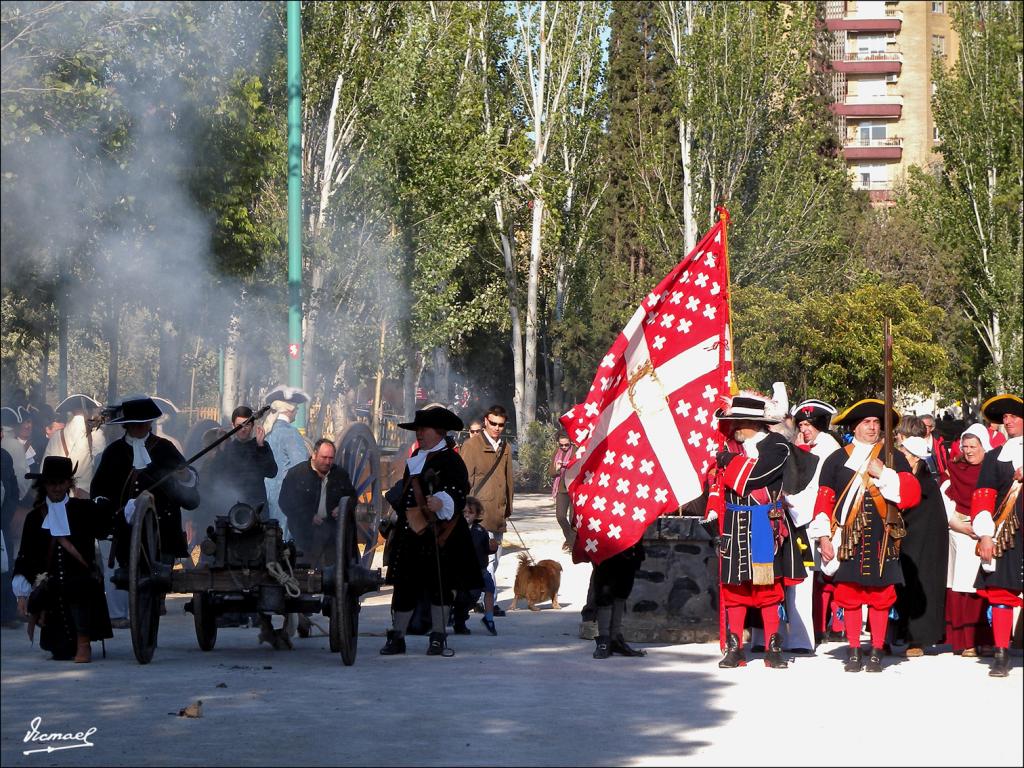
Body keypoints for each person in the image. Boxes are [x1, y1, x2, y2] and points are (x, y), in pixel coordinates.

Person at [812, 399, 922, 673]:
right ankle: (852, 649)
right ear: (855, 427)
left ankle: (875, 649)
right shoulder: (837, 459)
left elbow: (911, 494)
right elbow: (824, 500)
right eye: (866, 423)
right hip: (848, 537)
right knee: (849, 593)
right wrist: (824, 537)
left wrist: (883, 472)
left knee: (881, 594)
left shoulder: (892, 457)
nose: (873, 428)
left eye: (876, 423)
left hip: (882, 537)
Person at [705, 392, 813, 669]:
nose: (732, 427)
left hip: (766, 525)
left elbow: (756, 477)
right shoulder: (731, 445)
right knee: (735, 588)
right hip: (734, 523)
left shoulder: (777, 445)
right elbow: (716, 484)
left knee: (768, 588)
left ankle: (773, 648)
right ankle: (735, 648)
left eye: (737, 422)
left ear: (750, 422)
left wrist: (728, 462)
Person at [379, 407, 482, 657]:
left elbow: (458, 492)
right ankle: (398, 636)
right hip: (412, 532)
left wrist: (442, 502)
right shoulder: (416, 459)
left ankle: (438, 635)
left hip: (440, 535)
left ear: (439, 432)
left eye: (423, 430)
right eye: (418, 430)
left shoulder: (452, 460)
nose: (419, 434)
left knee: (441, 587)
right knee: (404, 586)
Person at [90, 396, 200, 626]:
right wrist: (111, 509)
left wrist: (184, 475)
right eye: (136, 424)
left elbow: (189, 477)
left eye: (145, 423)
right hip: (126, 526)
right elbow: (99, 489)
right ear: (127, 426)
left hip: (163, 524)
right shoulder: (114, 452)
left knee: (160, 572)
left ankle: (156, 598)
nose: (141, 428)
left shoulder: (165, 448)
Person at [10, 457, 113, 662]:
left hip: (82, 584)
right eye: (51, 482)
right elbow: (26, 556)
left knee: (77, 584)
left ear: (69, 483)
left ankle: (84, 642)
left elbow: (105, 529)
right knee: (61, 652)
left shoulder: (85, 509)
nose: (56, 487)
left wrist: (112, 509)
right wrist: (22, 593)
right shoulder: (34, 518)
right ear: (44, 485)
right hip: (52, 590)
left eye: (61, 482)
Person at [970, 394, 1023, 678]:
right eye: (1005, 418)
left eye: (1014, 416)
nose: (1008, 421)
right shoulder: (993, 458)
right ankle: (1001, 653)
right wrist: (985, 536)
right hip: (1007, 533)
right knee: (1001, 593)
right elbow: (982, 499)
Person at [784, 398, 843, 651]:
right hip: (807, 517)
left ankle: (803, 639)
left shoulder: (827, 448)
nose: (804, 430)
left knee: (805, 578)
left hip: (813, 521)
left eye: (809, 424)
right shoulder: (813, 446)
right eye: (802, 424)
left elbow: (815, 489)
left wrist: (789, 502)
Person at [940, 423, 994, 657]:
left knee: (984, 585)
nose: (969, 451)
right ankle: (964, 639)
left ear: (984, 447)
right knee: (961, 584)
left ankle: (986, 639)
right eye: (965, 446)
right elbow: (944, 502)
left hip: (988, 532)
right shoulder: (954, 470)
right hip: (959, 533)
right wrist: (960, 526)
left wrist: (985, 529)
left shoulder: (992, 469)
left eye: (974, 446)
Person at [894, 436, 948, 656]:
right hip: (905, 541)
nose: (902, 457)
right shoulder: (903, 478)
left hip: (924, 543)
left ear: (916, 459)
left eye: (905, 454)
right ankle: (895, 634)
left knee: (920, 585)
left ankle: (918, 638)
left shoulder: (927, 484)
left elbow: (924, 516)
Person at [458, 404, 514, 616]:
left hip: (498, 513)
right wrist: (466, 513)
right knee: (485, 562)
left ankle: (481, 599)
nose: (497, 428)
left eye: (501, 424)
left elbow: (509, 481)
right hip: (478, 515)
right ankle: (484, 601)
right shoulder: (471, 446)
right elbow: (463, 482)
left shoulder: (506, 447)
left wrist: (508, 508)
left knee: (495, 560)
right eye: (493, 423)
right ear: (485, 422)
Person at [279, 438, 356, 568]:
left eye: (331, 458)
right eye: (324, 457)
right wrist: (309, 516)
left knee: (332, 572)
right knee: (305, 571)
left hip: (333, 533)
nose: (327, 462)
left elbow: (352, 497)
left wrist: (341, 508)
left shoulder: (340, 475)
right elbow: (285, 502)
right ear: (314, 455)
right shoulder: (296, 474)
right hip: (304, 533)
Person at [206, 406, 278, 513]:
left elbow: (272, 472)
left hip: (256, 508)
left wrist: (260, 446)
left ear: (252, 426)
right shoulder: (227, 448)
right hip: (231, 506)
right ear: (233, 425)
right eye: (239, 425)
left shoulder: (260, 445)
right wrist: (220, 450)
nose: (243, 429)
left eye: (247, 425)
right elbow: (214, 475)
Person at [262, 386, 311, 538]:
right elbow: (301, 467)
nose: (296, 411)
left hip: (265, 494)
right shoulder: (290, 433)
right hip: (285, 498)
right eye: (295, 408)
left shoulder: (267, 432)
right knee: (284, 540)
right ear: (289, 410)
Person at [43, 394, 107, 497]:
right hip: (85, 498)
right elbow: (102, 469)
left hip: (59, 495)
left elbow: (44, 469)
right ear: (89, 411)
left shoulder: (56, 436)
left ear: (72, 411)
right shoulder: (97, 435)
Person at [450, 496, 496, 635]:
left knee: (489, 588)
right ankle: (454, 618)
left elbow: (486, 550)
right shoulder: (453, 530)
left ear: (476, 514)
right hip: (459, 571)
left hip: (479, 570)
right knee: (462, 597)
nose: (466, 515)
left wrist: (492, 548)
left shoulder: (481, 531)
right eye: (463, 512)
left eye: (470, 513)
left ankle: (489, 618)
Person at [550, 434, 575, 553]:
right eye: (561, 445)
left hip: (575, 488)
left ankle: (572, 543)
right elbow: (551, 472)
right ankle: (571, 540)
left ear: (570, 442)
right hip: (561, 489)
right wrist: (558, 469)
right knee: (560, 516)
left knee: (573, 519)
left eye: (566, 444)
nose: (564, 447)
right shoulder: (557, 452)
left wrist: (569, 465)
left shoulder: (577, 450)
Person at [921, 413, 949, 477]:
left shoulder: (940, 441)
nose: (921, 428)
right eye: (920, 425)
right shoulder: (914, 441)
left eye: (924, 426)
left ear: (932, 428)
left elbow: (946, 460)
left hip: (940, 477)